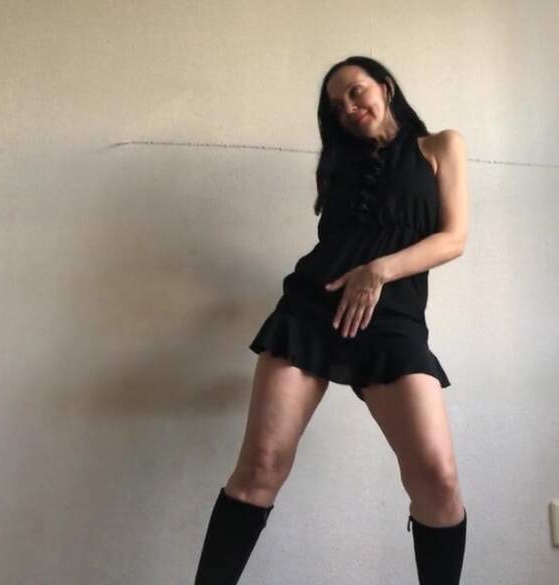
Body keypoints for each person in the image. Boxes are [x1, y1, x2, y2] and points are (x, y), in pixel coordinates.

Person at [194, 55, 470, 585]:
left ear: (385, 87)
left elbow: (453, 239)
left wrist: (378, 271)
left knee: (437, 477)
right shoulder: (340, 165)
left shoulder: (440, 147)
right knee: (261, 466)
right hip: (312, 310)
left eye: (356, 91)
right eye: (337, 105)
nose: (348, 107)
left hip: (393, 320)